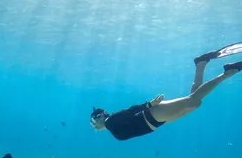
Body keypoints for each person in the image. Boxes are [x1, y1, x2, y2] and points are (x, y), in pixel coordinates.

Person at [90, 48, 242, 141]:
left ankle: (228, 72)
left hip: (153, 115)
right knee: (195, 102)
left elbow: (129, 112)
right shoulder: (111, 125)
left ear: (99, 117)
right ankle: (201, 64)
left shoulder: (110, 121)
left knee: (194, 100)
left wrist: (148, 105)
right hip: (156, 120)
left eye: (92, 123)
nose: (94, 127)